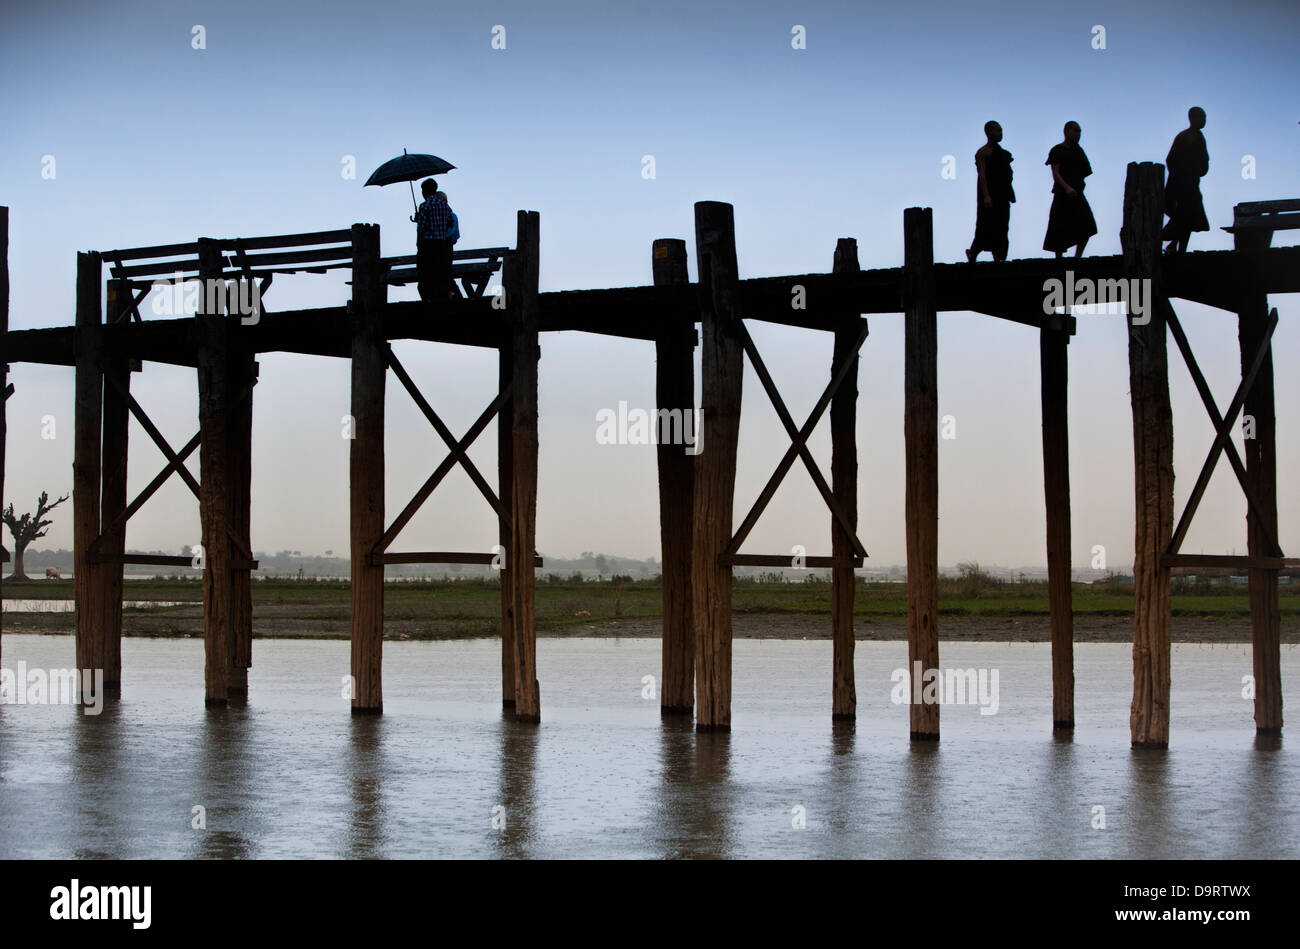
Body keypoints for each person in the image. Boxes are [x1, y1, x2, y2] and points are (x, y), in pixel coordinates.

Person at [1042, 121, 1098, 258]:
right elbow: (1055, 172)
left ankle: (1077, 257)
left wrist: (1078, 185)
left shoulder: (1078, 151)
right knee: (1058, 227)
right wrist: (1066, 187)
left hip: (1077, 194)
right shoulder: (1057, 150)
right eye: (1076, 131)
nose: (1078, 135)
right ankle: (1059, 259)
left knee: (1087, 224)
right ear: (1067, 132)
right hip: (1062, 194)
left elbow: (1084, 171)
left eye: (1080, 132)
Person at [966, 120, 1015, 263]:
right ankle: (973, 253)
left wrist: (1010, 194)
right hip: (989, 195)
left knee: (1002, 226)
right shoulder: (983, 153)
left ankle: (999, 257)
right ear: (989, 133)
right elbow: (982, 174)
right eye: (997, 131)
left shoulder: (1004, 154)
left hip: (1003, 194)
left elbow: (1007, 175)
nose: (1000, 133)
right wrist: (986, 195)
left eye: (1001, 130)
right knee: (984, 226)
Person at [1163, 107, 1210, 254]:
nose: (1204, 121)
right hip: (1179, 185)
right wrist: (1181, 174)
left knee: (1189, 217)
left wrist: (1197, 171)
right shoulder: (1183, 137)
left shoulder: (1199, 138)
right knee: (1183, 216)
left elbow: (1204, 162)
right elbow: (1171, 160)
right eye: (1201, 117)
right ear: (1192, 118)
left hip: (1191, 185)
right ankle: (1169, 243)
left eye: (1204, 117)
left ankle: (1177, 247)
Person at [414, 179, 456, 304]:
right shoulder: (445, 206)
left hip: (427, 246)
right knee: (440, 275)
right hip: (442, 245)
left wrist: (418, 220)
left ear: (424, 191)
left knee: (425, 276)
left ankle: (428, 300)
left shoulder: (424, 205)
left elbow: (421, 228)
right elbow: (450, 222)